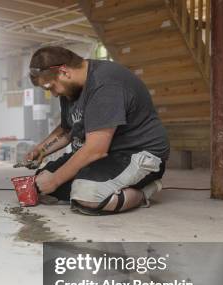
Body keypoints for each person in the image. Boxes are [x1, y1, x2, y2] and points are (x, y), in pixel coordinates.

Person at [26, 46, 169, 215]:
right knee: (40, 182)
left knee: (88, 196)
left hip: (135, 152)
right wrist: (41, 150)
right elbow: (69, 128)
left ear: (64, 71)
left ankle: (144, 191)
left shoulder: (106, 83)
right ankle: (96, 185)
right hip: (104, 152)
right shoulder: (70, 89)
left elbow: (95, 149)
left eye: (50, 87)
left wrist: (56, 181)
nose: (54, 94)